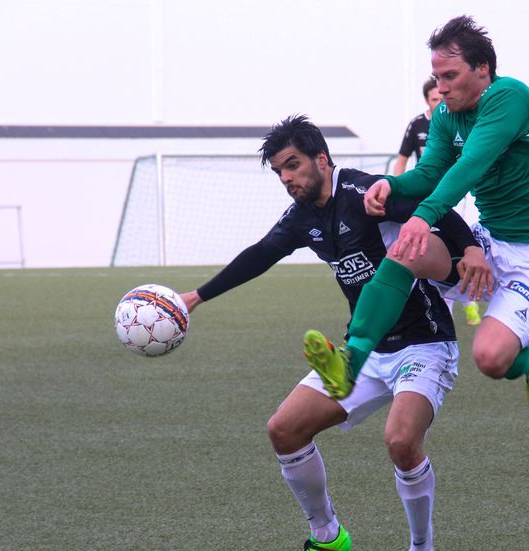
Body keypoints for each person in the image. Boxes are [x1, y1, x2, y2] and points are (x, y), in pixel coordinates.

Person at [178, 115, 488, 551]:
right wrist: (197, 296)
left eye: (292, 165)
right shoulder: (301, 217)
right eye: (279, 172)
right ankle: (327, 537)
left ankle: (422, 546)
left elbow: (434, 205)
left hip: (424, 343)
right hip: (363, 353)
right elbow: (260, 254)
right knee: (284, 429)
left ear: (321, 159)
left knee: (401, 441)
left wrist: (470, 246)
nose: (286, 178)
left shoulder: (366, 192)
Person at [303, 15, 529, 414]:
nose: (441, 87)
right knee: (406, 250)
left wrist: (423, 215)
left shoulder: (509, 97)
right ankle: (351, 361)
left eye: (450, 75)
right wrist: (391, 185)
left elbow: (471, 163)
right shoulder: (445, 116)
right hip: (491, 238)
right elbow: (431, 171)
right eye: (437, 77)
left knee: (491, 359)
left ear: (482, 69)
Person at [393, 78, 482, 327]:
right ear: (427, 100)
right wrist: (397, 186)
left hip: (454, 193)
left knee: (460, 243)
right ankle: (450, 308)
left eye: (441, 97)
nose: (439, 101)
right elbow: (402, 159)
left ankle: (469, 300)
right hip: (428, 196)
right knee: (431, 250)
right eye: (434, 99)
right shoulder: (417, 125)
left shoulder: (458, 119)